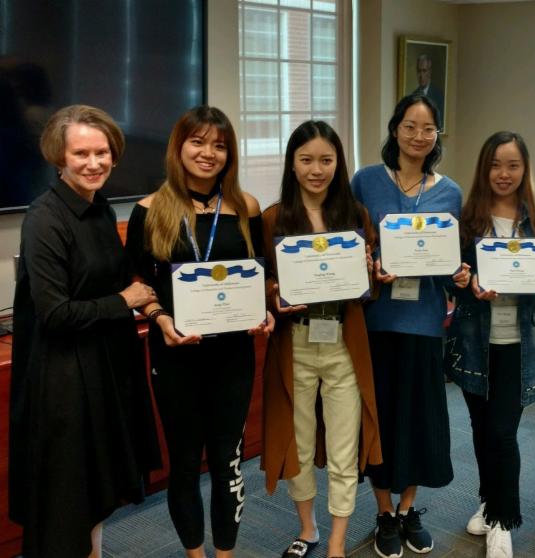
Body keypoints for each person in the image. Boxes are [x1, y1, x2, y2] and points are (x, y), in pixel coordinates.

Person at [9, 104, 161, 557]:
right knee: (66, 501)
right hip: (63, 380)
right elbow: (55, 313)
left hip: (102, 368)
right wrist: (125, 301)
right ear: (60, 157)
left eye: (102, 152)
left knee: (96, 490)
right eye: (81, 154)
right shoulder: (44, 218)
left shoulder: (96, 209)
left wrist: (141, 293)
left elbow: (107, 277)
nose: (94, 163)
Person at [125, 105, 273, 558]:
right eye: (198, 142)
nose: (208, 153)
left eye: (220, 145)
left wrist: (267, 308)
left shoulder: (245, 207)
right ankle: (194, 554)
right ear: (179, 146)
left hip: (233, 357)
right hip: (175, 356)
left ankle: (225, 555)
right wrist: (159, 318)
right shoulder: (149, 209)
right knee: (185, 465)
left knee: (228, 459)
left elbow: (261, 276)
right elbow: (136, 282)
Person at [351, 93, 470, 558]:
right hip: (378, 321)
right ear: (395, 129)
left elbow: (449, 260)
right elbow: (352, 245)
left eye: (428, 128)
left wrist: (458, 273)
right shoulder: (365, 181)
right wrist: (368, 264)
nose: (419, 136)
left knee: (419, 419)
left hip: (423, 322)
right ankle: (382, 511)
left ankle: (407, 509)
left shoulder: (450, 192)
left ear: (437, 135)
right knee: (381, 418)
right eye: (410, 126)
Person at [261, 120, 383, 558]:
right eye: (307, 160)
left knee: (345, 446)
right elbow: (264, 283)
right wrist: (275, 293)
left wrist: (371, 272)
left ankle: (336, 542)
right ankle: (309, 529)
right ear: (292, 165)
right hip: (295, 344)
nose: (317, 169)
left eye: (326, 160)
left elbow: (369, 290)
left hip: (343, 345)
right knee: (299, 441)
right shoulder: (273, 218)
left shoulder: (356, 216)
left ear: (338, 163)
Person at [444, 131, 535, 558]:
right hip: (476, 342)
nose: (504, 174)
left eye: (513, 165)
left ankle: (502, 519)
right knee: (480, 430)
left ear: (524, 169)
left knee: (502, 431)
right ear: (484, 169)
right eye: (496, 164)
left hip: (519, 344)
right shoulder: (468, 220)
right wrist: (464, 284)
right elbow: (451, 281)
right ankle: (487, 499)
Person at [411, 54, 444, 124]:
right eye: (419, 71)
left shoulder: (439, 95)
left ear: (430, 72)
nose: (421, 75)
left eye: (424, 71)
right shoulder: (413, 95)